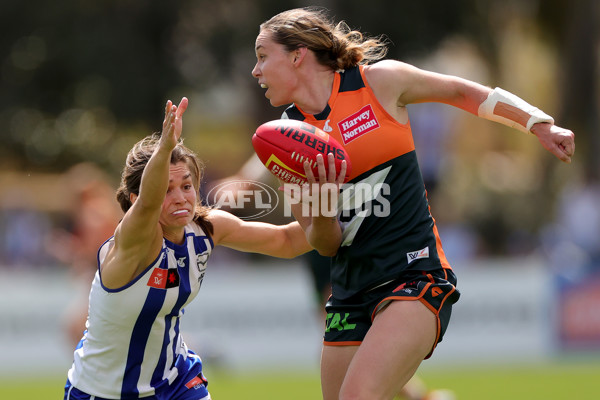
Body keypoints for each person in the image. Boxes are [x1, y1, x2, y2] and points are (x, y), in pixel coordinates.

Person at [251, 7, 575, 400]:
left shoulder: (379, 82)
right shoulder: (285, 142)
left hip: (414, 277)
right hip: (350, 295)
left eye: (263, 56)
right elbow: (325, 244)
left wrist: (538, 123)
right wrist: (322, 205)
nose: (256, 71)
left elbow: (463, 92)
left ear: (298, 54)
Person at [64, 97, 316, 400]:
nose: (182, 197)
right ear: (133, 200)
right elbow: (148, 202)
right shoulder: (132, 241)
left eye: (186, 186)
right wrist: (165, 147)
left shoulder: (206, 227)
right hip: (103, 392)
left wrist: (340, 200)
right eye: (167, 190)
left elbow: (289, 242)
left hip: (177, 381)